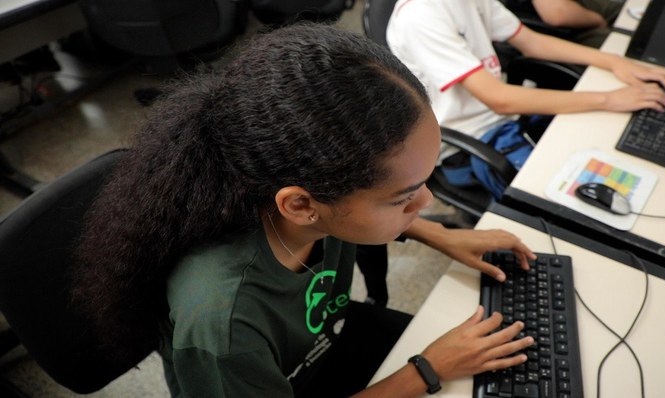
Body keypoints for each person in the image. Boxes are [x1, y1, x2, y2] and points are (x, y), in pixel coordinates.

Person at [71, 23, 539, 397]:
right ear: (300, 206)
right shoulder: (223, 326)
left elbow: (357, 216)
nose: (427, 202)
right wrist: (426, 370)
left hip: (326, 339)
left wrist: (436, 234)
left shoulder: (298, 192)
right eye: (404, 197)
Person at [386, 0, 665, 143]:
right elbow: (499, 99)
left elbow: (531, 41)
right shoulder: (420, 18)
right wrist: (609, 98)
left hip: (508, 116)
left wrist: (613, 62)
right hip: (475, 138)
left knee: (607, 136)